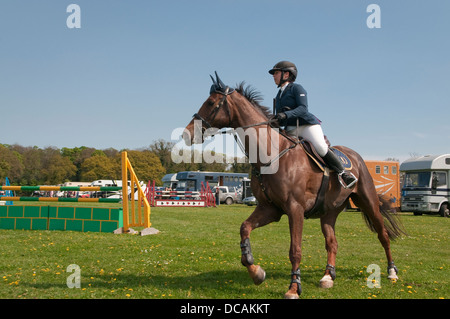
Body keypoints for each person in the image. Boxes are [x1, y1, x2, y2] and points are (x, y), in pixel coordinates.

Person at [269, 60, 357, 188]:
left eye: (276, 73)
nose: (273, 76)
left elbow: (303, 108)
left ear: (286, 75)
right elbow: (281, 117)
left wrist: (286, 115)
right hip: (291, 128)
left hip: (306, 125)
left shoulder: (297, 88)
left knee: (321, 147)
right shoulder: (278, 95)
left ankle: (343, 173)